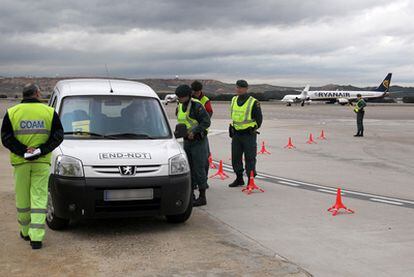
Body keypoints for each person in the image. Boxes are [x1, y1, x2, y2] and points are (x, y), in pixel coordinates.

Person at [1, 83, 64, 249]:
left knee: (23, 198)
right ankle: (36, 238)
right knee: (39, 196)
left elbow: (6, 138)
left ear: (23, 95)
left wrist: (23, 151)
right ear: (37, 93)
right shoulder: (49, 112)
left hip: (21, 162)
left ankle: (25, 231)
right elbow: (58, 136)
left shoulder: (12, 113)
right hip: (41, 162)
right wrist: (40, 150)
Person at [175, 84, 211, 206]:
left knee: (199, 168)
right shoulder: (180, 105)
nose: (179, 99)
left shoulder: (196, 106)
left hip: (198, 141)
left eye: (181, 97)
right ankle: (191, 194)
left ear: (188, 96)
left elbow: (206, 122)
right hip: (187, 142)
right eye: (178, 97)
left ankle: (202, 196)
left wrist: (194, 132)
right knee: (189, 168)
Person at [228, 80, 263, 187]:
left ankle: (250, 180)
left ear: (246, 89)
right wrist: (232, 127)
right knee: (236, 158)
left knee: (250, 158)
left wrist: (252, 129)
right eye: (237, 87)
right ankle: (239, 179)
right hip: (237, 134)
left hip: (248, 134)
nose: (238, 89)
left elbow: (259, 119)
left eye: (241, 87)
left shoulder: (253, 102)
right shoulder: (234, 99)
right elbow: (234, 116)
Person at [191, 80, 213, 182]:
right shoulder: (188, 99)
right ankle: (194, 181)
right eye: (194, 91)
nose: (196, 93)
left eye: (197, 91)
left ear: (201, 90)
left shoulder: (205, 100)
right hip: (190, 134)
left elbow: (209, 115)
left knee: (204, 158)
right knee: (191, 159)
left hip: (201, 133)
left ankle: (204, 180)